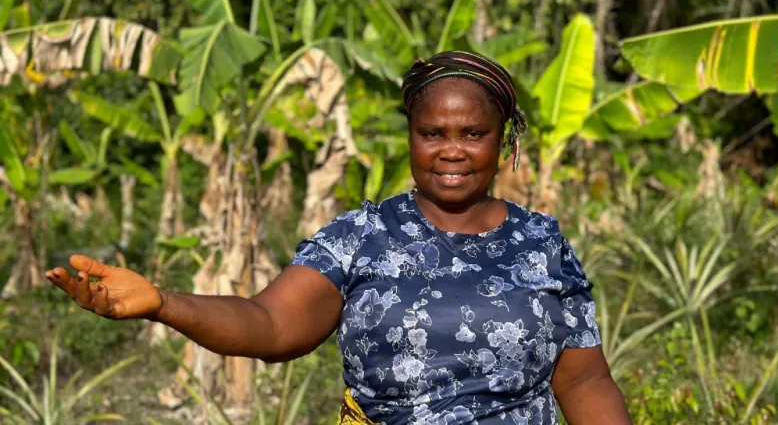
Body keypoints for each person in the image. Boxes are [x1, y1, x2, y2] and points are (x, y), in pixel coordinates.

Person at [45, 51, 632, 424]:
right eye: (432, 132)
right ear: (410, 138)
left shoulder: (540, 242)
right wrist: (164, 303)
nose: (451, 149)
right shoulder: (363, 235)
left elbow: (583, 379)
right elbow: (270, 325)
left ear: (502, 141)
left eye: (472, 132)